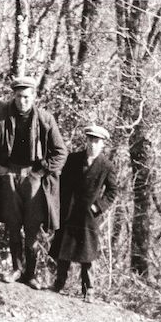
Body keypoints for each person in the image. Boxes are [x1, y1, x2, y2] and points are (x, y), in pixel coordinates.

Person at [0, 75, 67, 288]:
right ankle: (16, 269)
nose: (23, 101)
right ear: (14, 95)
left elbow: (61, 153)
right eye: (20, 96)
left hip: (34, 177)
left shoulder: (45, 119)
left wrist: (41, 171)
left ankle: (30, 274)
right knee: (13, 225)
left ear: (34, 97)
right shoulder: (2, 115)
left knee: (32, 227)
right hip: (10, 174)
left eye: (27, 97)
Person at [49, 125, 120, 303]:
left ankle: (89, 290)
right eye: (90, 141)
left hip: (89, 215)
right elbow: (62, 183)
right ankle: (59, 283)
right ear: (86, 141)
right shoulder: (73, 159)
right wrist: (61, 205)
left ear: (102, 144)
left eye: (96, 142)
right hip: (69, 212)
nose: (92, 145)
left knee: (87, 254)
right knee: (63, 250)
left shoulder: (106, 166)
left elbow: (112, 191)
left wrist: (99, 207)